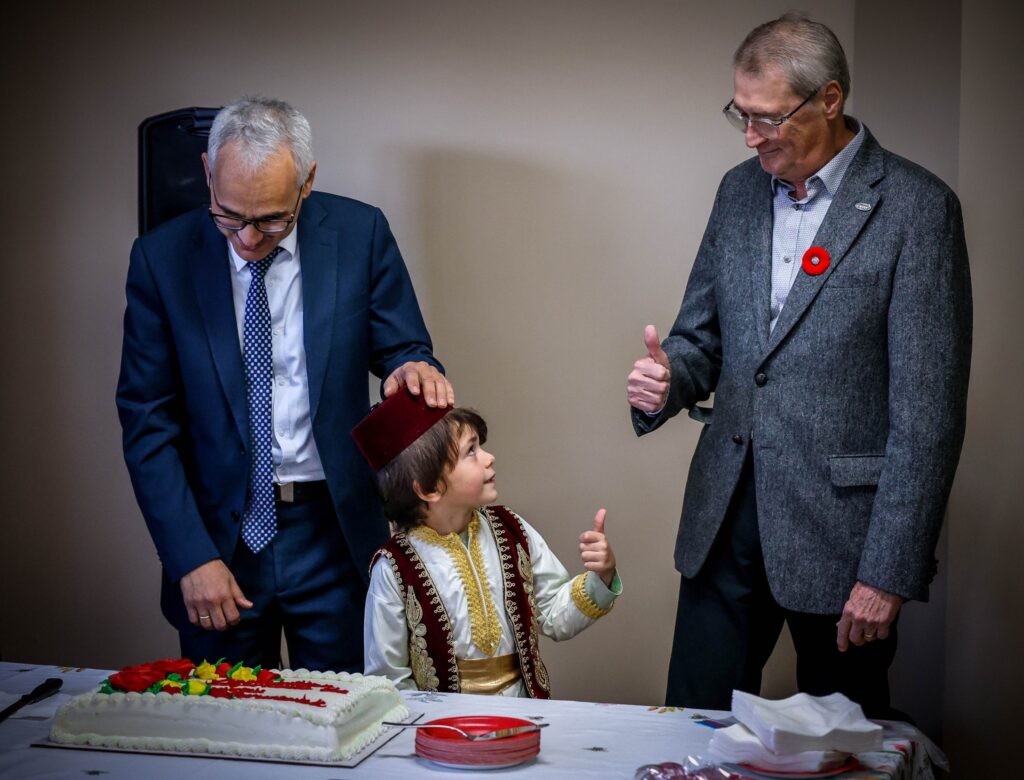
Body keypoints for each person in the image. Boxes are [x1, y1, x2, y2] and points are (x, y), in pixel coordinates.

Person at [626, 13, 971, 718]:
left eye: (767, 118)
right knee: (687, 731)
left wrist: (889, 572)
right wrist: (668, 382)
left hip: (844, 540)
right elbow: (701, 341)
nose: (751, 137)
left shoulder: (917, 209)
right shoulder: (737, 191)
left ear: (830, 99)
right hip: (724, 517)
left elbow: (928, 416)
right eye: (739, 116)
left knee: (841, 746)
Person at [116, 96, 453, 674]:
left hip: (334, 533)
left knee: (348, 725)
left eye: (271, 219)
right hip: (219, 540)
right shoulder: (160, 259)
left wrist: (413, 370)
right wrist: (189, 556)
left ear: (307, 182)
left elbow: (406, 350)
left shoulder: (359, 232)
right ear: (207, 173)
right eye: (229, 216)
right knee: (225, 733)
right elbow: (147, 422)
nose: (247, 238)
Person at [353, 390, 621, 697]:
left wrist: (603, 576)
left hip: (526, 713)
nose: (489, 457)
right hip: (446, 731)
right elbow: (389, 680)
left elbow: (553, 613)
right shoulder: (393, 569)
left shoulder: (512, 529)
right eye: (471, 451)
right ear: (429, 488)